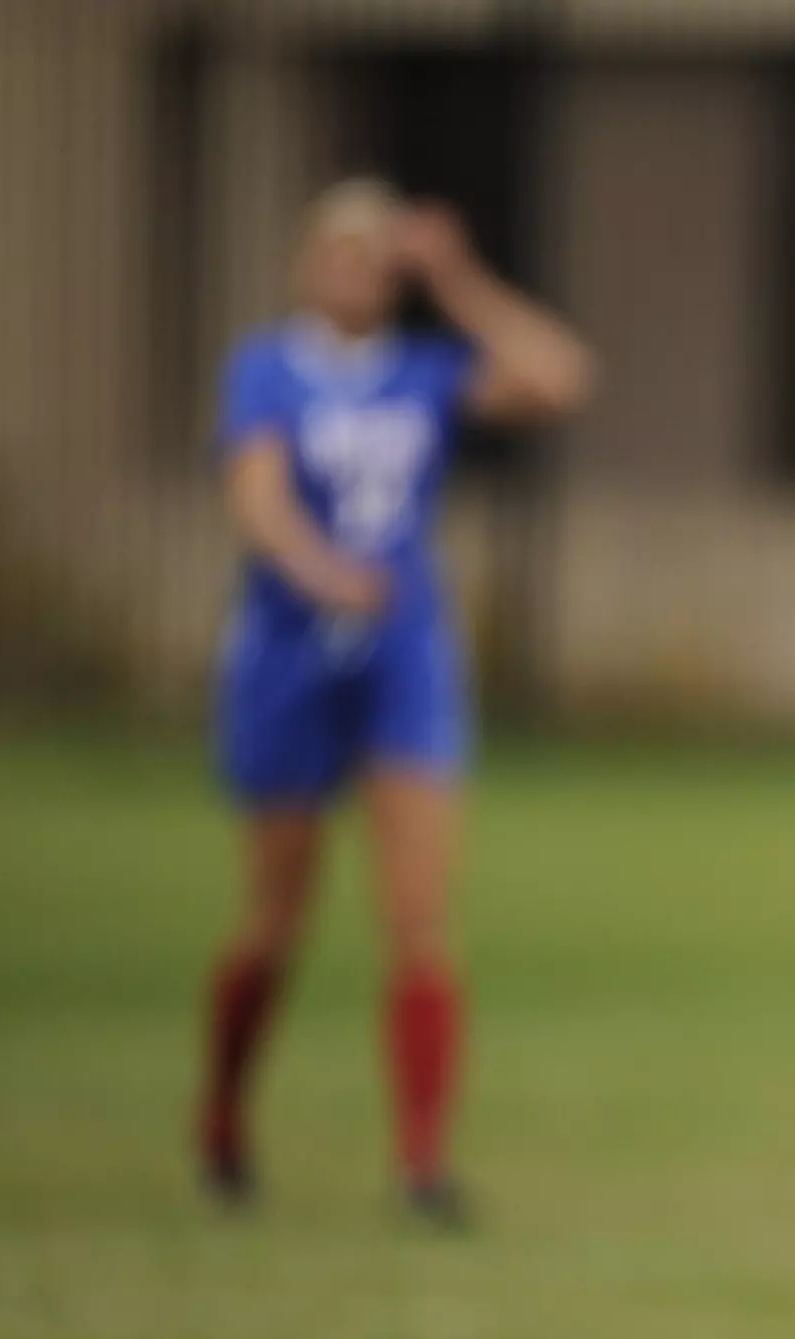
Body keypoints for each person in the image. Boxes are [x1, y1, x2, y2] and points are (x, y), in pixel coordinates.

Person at [196, 179, 591, 1222]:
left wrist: (455, 277)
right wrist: (324, 572)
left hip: (403, 653)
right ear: (305, 261)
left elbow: (559, 376)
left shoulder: (423, 370)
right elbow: (257, 498)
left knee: (418, 915)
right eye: (343, 254)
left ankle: (421, 1161)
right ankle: (226, 1111)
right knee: (277, 918)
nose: (359, 274)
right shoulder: (267, 369)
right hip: (288, 653)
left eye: (380, 259)